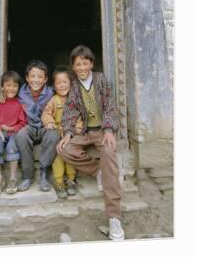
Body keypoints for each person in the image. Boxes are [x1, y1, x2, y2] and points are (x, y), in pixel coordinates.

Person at [57, 45, 125, 241]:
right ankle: (97, 170)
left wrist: (109, 130)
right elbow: (69, 111)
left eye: (85, 63)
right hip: (86, 132)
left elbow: (110, 106)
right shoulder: (74, 85)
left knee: (110, 154)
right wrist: (68, 133)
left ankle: (114, 217)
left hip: (103, 131)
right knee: (64, 149)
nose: (82, 67)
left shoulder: (101, 80)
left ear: (91, 63)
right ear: (73, 66)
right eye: (78, 64)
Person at [15, 60, 60, 192]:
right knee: (21, 135)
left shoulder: (51, 92)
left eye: (40, 77)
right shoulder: (20, 92)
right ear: (27, 78)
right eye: (33, 76)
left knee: (53, 135)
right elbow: (8, 96)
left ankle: (44, 173)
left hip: (45, 126)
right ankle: (27, 176)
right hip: (28, 126)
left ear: (45, 79)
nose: (36, 80)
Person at [41, 66, 79, 198]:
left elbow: (81, 117)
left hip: (71, 134)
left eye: (65, 82)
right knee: (57, 154)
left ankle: (71, 179)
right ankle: (59, 182)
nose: (62, 85)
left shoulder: (75, 100)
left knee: (69, 152)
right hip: (58, 133)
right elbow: (46, 114)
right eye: (59, 83)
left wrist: (77, 128)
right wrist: (50, 122)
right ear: (54, 85)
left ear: (71, 83)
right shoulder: (53, 100)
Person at [0, 71, 26, 196]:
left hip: (14, 132)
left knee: (12, 146)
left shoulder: (19, 103)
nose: (11, 89)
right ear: (2, 87)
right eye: (8, 85)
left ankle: (12, 178)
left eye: (15, 86)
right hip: (2, 131)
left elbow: (23, 122)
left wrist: (11, 129)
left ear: (18, 88)